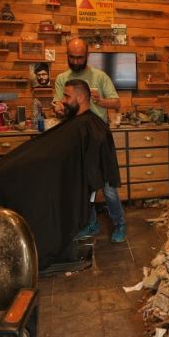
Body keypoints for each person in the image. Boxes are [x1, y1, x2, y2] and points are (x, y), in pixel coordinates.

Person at [0, 79, 121, 270]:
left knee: (7, 178)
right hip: (52, 165)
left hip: (54, 170)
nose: (63, 100)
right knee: (5, 167)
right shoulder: (78, 122)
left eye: (66, 96)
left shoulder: (90, 126)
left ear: (80, 98)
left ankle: (119, 224)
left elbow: (86, 163)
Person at [53, 37, 126, 243]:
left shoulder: (100, 77)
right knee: (84, 186)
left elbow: (117, 102)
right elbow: (60, 107)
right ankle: (91, 223)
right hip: (75, 138)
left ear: (88, 56)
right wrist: (58, 109)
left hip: (98, 138)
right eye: (71, 57)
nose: (75, 61)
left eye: (79, 57)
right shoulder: (62, 79)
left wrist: (99, 100)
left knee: (109, 189)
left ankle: (120, 224)